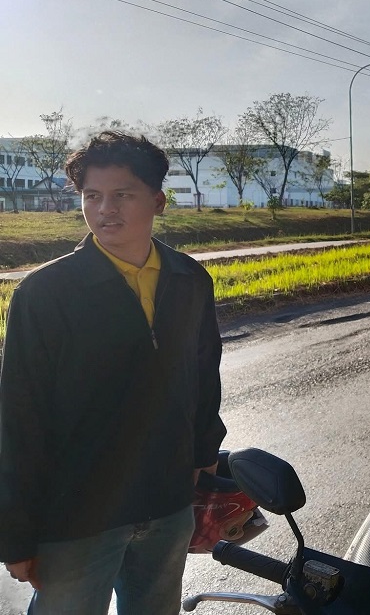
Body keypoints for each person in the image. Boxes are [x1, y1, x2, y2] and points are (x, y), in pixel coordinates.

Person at [0, 131, 226, 615]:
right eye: (92, 196)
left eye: (123, 195)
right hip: (78, 517)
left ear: (158, 200)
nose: (106, 210)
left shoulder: (189, 280)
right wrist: (16, 531)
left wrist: (204, 459)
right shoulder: (46, 294)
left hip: (167, 505)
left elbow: (205, 376)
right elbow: (19, 417)